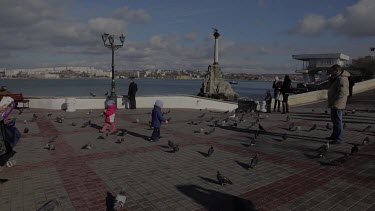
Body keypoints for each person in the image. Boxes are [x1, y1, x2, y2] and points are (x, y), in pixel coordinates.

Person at [327, 64, 350, 144]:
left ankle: (339, 139)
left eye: (332, 71)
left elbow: (343, 92)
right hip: (334, 103)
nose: (331, 73)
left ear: (337, 71)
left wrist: (335, 100)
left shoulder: (342, 79)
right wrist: (331, 79)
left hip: (338, 103)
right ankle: (334, 135)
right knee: (334, 121)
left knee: (338, 121)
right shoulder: (335, 78)